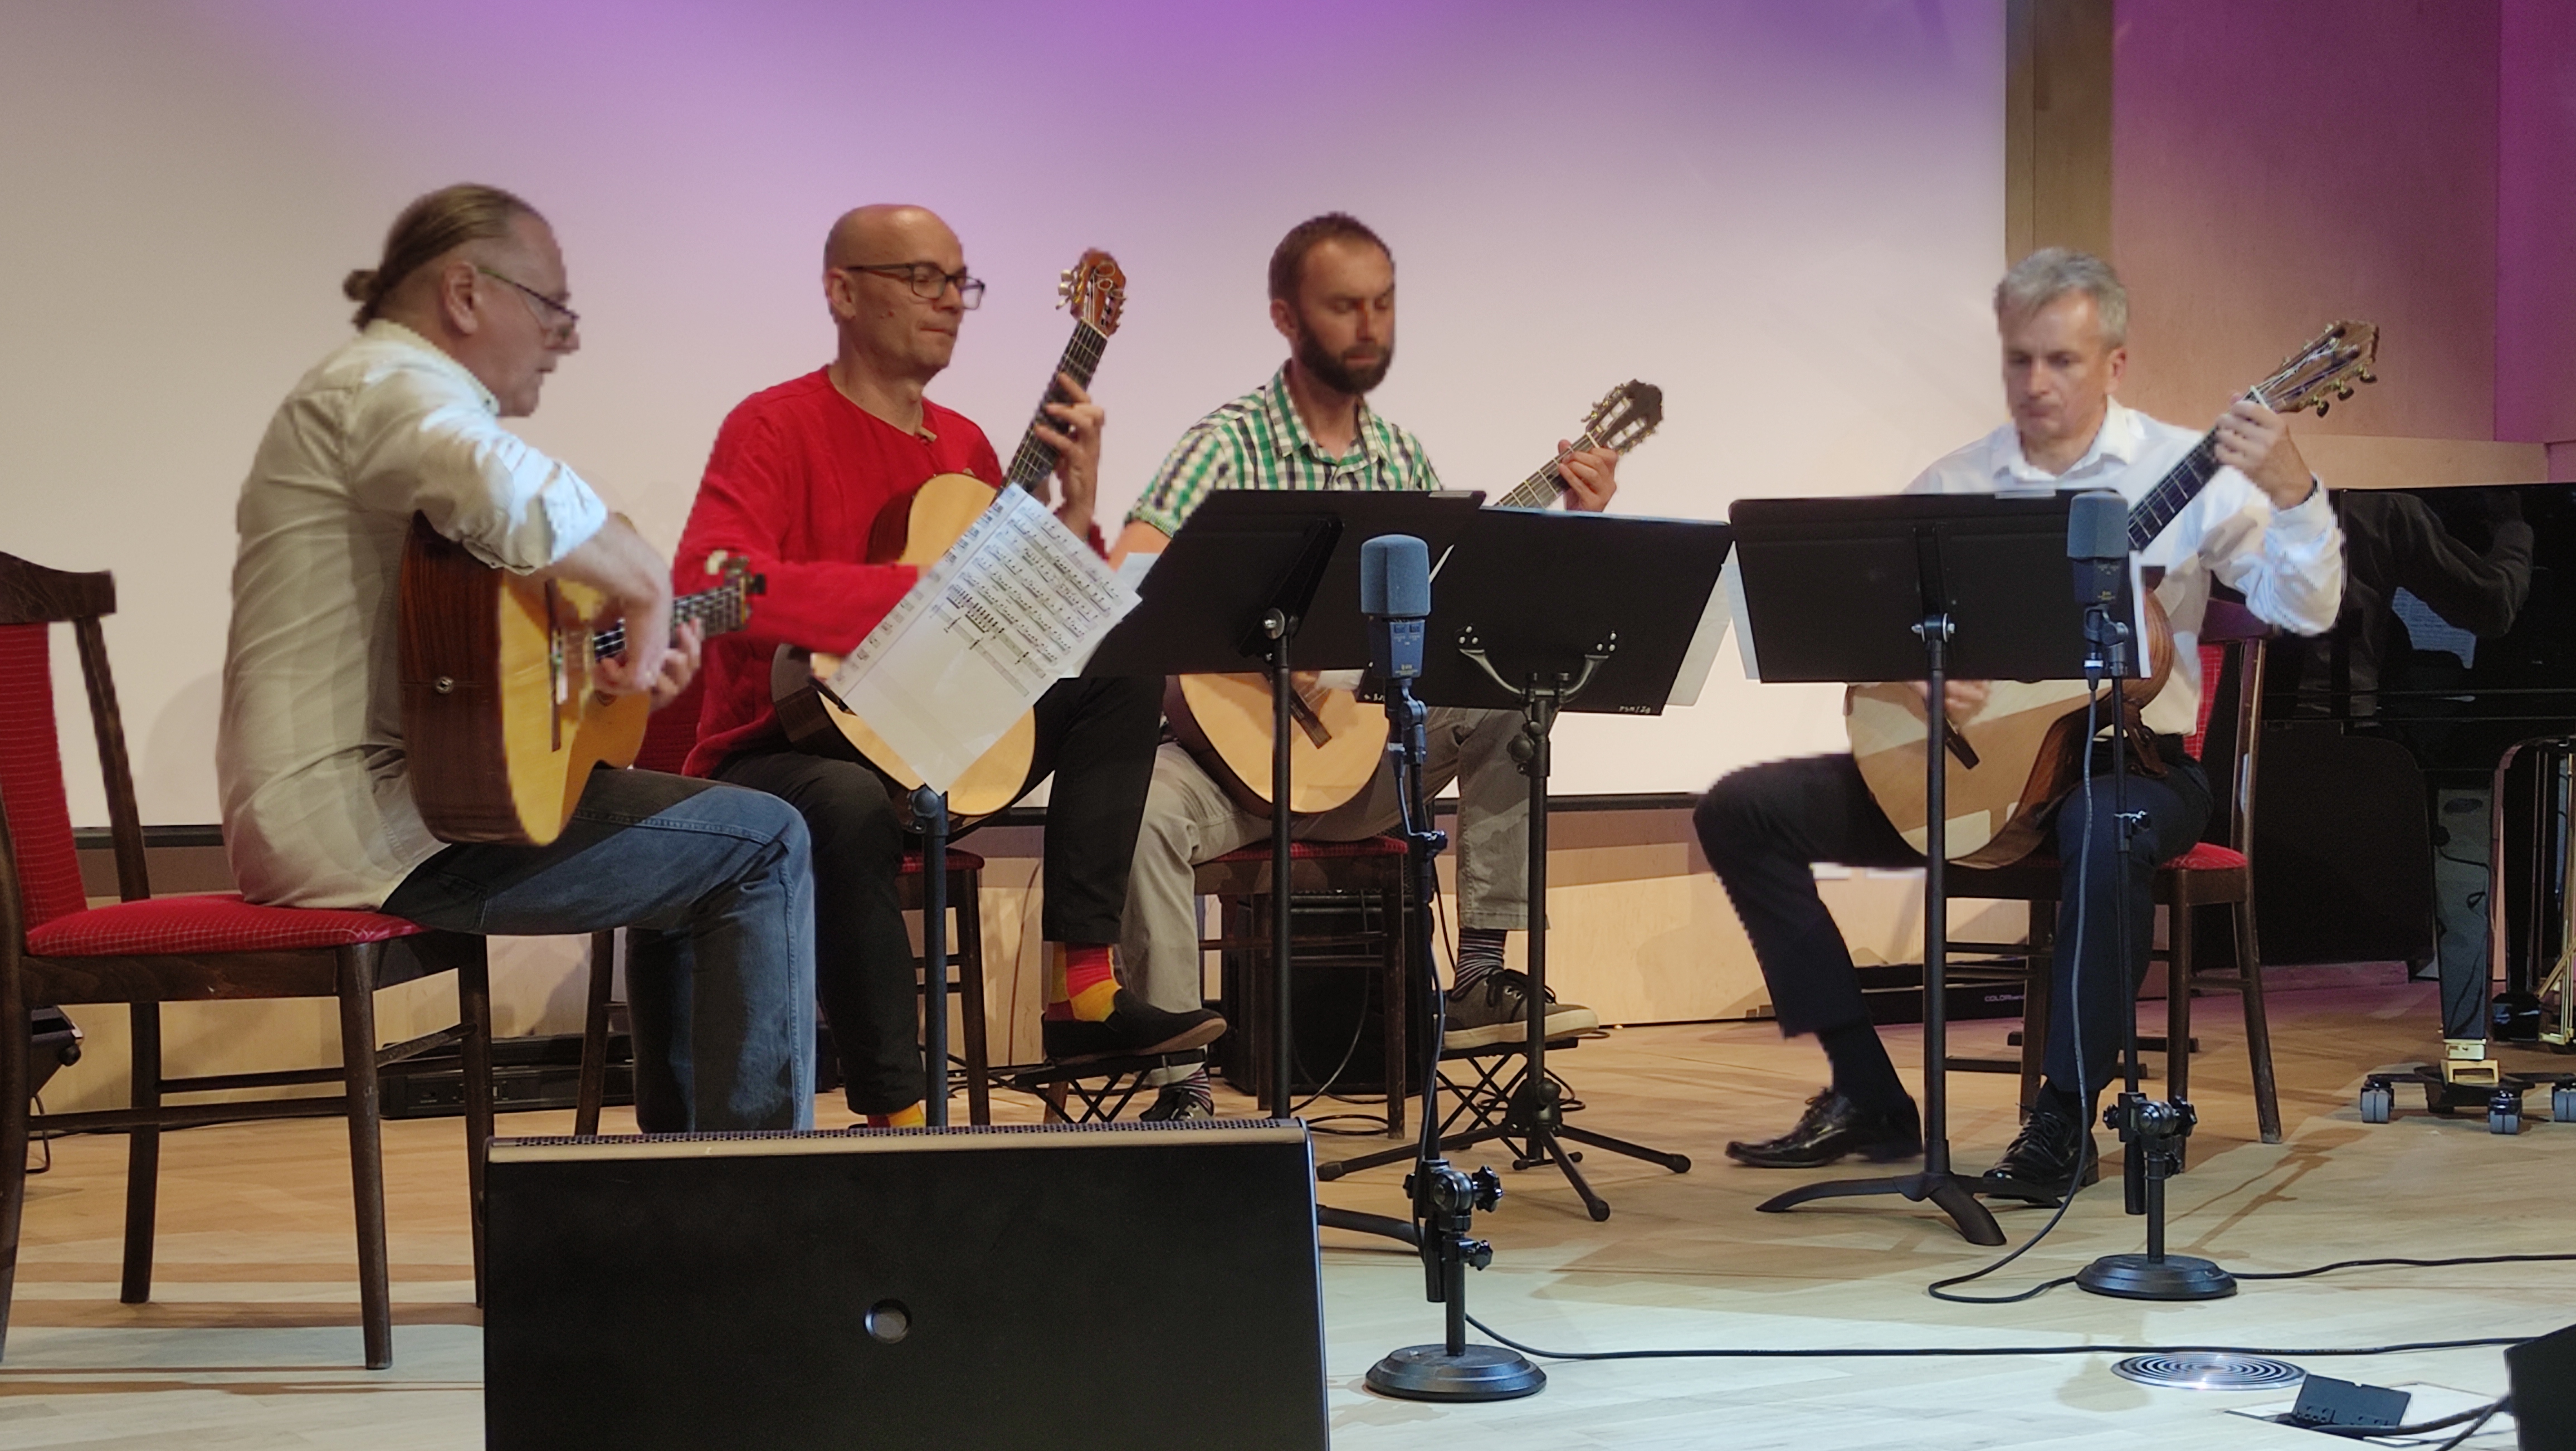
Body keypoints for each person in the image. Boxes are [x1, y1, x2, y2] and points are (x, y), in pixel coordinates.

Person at [1694, 248, 2345, 1197]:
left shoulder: (2187, 474)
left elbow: (2309, 609)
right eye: (2019, 360)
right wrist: (1906, 667)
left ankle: (2063, 1120)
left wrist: (2293, 494)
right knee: (1742, 811)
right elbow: (1864, 620)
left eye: (2062, 361)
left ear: (2115, 363)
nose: (2036, 383)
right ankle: (1866, 1091)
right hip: (1971, 770)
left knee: (2107, 825)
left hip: (2135, 768)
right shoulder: (1956, 481)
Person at [217, 183, 816, 1132]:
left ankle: (691, 1178)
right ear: (464, 295)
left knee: (717, 838)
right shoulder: (377, 386)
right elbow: (491, 483)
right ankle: (762, 1195)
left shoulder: (390, 405)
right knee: (764, 843)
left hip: (417, 807)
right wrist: (646, 586)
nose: (565, 339)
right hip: (369, 829)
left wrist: (606, 673)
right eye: (551, 307)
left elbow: (473, 642)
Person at [674, 204, 1222, 1128]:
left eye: (960, 283)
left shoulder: (964, 445)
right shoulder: (773, 426)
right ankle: (895, 1111)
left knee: (1121, 670)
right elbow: (704, 591)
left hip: (937, 734)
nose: (948, 302)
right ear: (843, 292)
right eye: (920, 278)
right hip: (785, 745)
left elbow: (1023, 625)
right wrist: (882, 597)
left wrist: (1076, 509)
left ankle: (1084, 991)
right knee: (847, 802)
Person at [1110, 213, 1621, 1119]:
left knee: (1510, 702)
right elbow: (1131, 583)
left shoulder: (1400, 456)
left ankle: (1480, 975)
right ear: (1286, 317)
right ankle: (1181, 1083)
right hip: (1231, 769)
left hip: (1363, 760)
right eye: (1344, 305)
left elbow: (1454, 618)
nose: (1369, 325)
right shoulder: (1224, 445)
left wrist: (1573, 529)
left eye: (1383, 304)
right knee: (1139, 809)